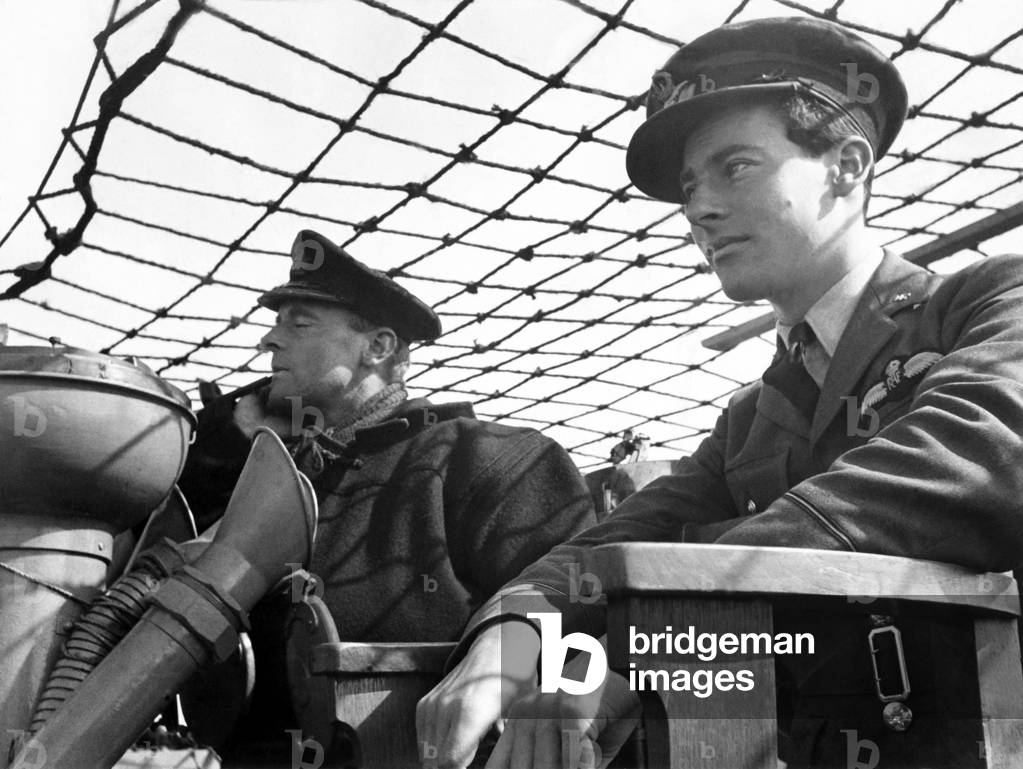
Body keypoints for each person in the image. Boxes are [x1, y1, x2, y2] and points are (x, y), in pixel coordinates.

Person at [416, 16, 1023, 769]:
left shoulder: (987, 301)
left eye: (735, 167)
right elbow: (613, 544)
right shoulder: (746, 422)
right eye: (689, 187)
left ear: (846, 165)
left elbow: (981, 454)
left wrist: (647, 648)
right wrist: (512, 633)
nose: (698, 209)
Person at [177, 229, 596, 764]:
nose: (269, 341)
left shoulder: (486, 458)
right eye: (276, 323)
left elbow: (581, 611)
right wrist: (222, 450)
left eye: (299, 324)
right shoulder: (267, 481)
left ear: (377, 347)